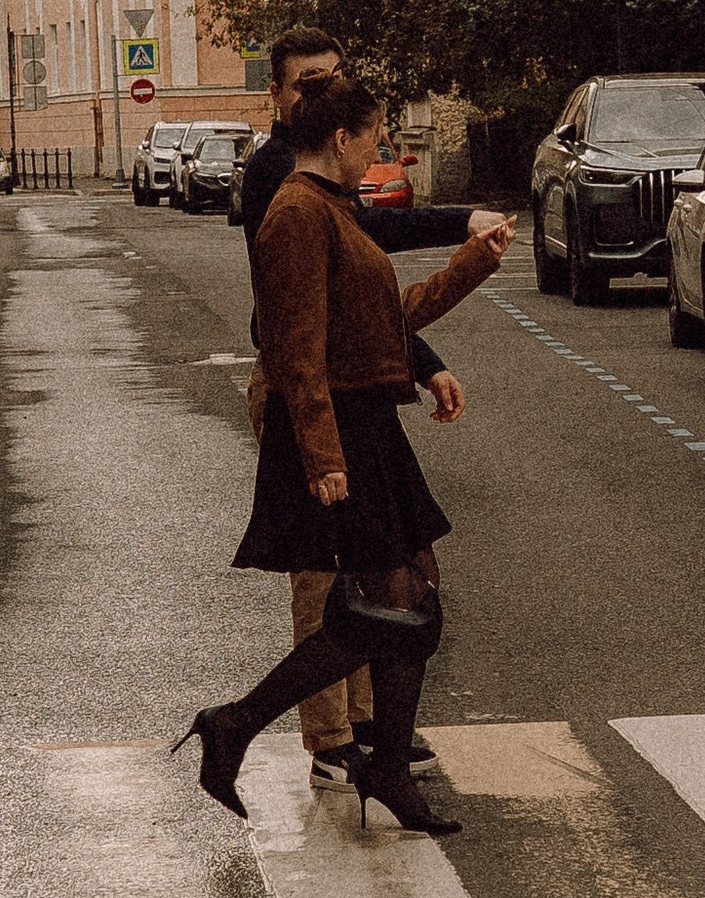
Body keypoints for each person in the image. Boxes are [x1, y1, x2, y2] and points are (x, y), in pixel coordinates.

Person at [178, 74, 506, 838]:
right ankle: (243, 725)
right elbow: (295, 349)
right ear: (340, 138)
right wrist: (324, 456)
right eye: (375, 138)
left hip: (365, 424)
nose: (379, 151)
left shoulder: (333, 208)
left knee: (408, 594)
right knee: (391, 600)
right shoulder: (297, 214)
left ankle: (370, 760)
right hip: (338, 430)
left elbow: (384, 321)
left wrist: (473, 262)